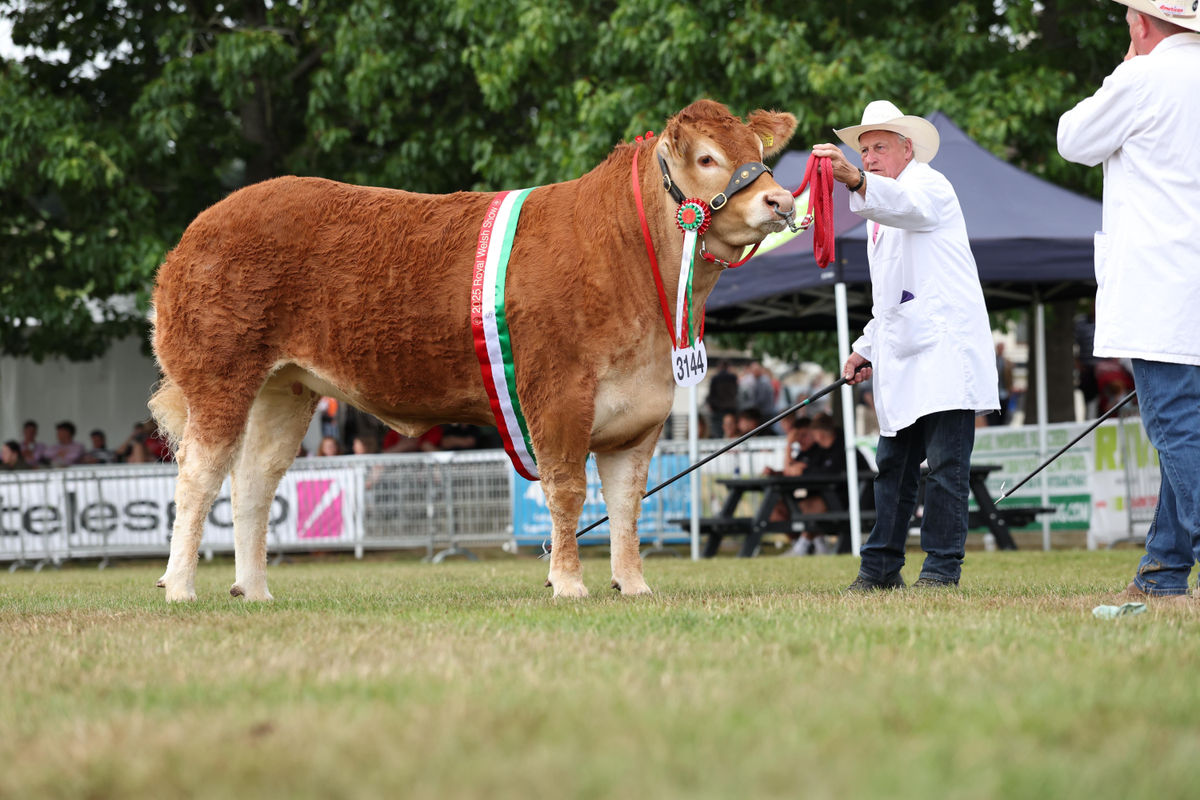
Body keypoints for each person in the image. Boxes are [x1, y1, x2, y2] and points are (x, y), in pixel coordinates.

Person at [812, 100, 999, 591]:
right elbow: (891, 298)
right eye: (864, 150)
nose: (869, 156)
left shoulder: (928, 185)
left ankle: (940, 569)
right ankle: (879, 569)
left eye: (879, 148)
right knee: (893, 467)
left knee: (944, 468)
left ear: (907, 149)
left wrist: (854, 180)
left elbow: (907, 207)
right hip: (905, 351)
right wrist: (865, 347)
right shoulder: (879, 210)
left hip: (943, 353)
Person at [1057, 1, 1200, 602]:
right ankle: (1164, 568)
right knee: (1186, 428)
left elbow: (1073, 140)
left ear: (1140, 25)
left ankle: (1168, 566)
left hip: (1162, 285)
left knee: (1177, 428)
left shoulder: (1142, 76)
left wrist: (1123, 69)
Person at [705, 361, 740, 438]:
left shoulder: (715, 378)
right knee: (731, 431)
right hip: (730, 408)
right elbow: (736, 392)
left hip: (718, 409)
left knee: (718, 433)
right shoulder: (733, 377)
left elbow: (711, 394)